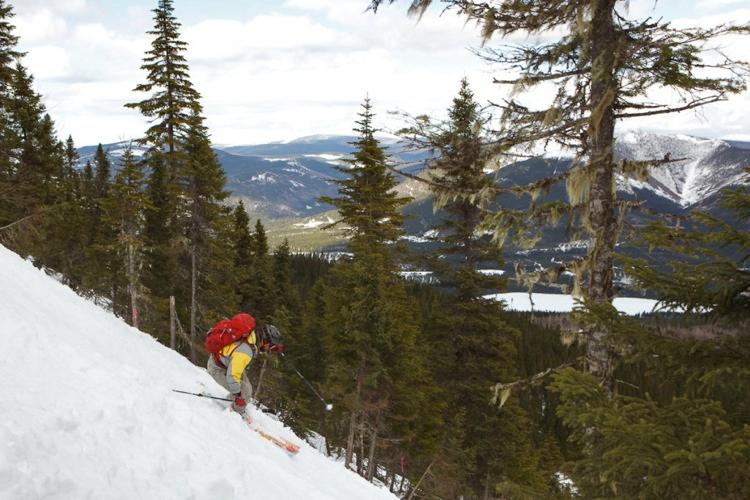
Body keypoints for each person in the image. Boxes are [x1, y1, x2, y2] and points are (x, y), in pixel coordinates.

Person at [204, 313, 284, 416]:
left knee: (248, 388)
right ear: (265, 341)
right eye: (271, 346)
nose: (269, 349)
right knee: (244, 392)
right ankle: (235, 414)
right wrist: (238, 396)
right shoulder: (246, 351)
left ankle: (232, 402)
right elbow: (232, 376)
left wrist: (277, 348)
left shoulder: (252, 337)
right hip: (217, 368)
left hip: (225, 363)